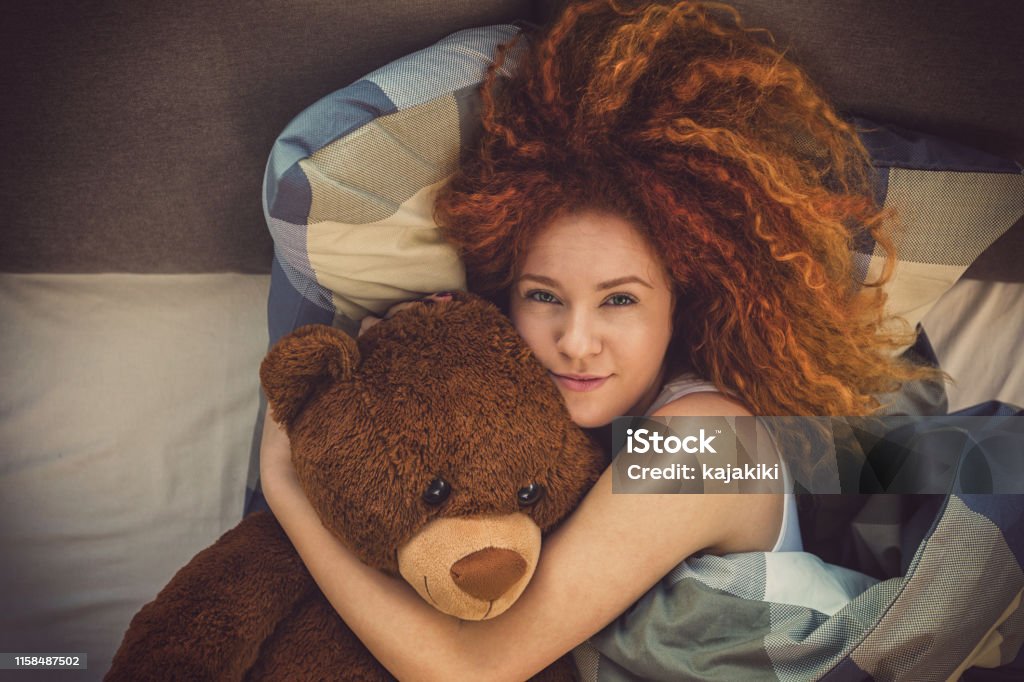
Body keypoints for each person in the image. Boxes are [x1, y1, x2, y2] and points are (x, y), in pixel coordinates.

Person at [260, 1, 931, 679]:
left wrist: (286, 487)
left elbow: (469, 671)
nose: (576, 342)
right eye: (544, 296)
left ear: (680, 306)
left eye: (619, 300)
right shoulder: (535, 425)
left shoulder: (702, 442)